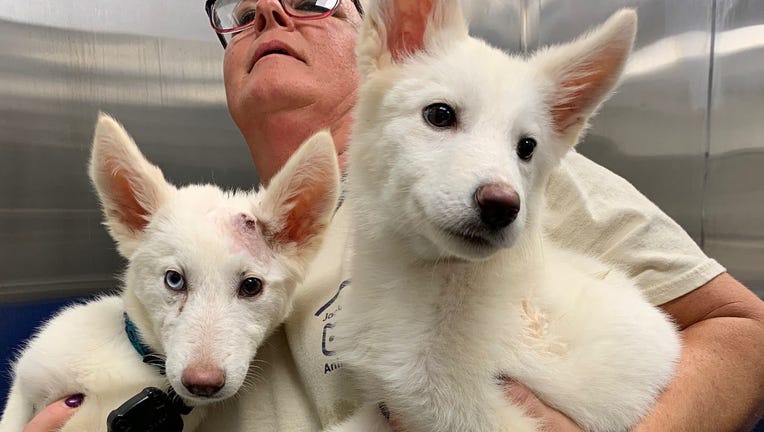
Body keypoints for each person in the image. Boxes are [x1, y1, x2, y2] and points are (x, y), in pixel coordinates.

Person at [25, 0, 764, 431]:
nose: (270, 15)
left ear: (377, 37)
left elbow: (743, 330)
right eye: (242, 12)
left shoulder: (500, 177)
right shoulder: (229, 230)